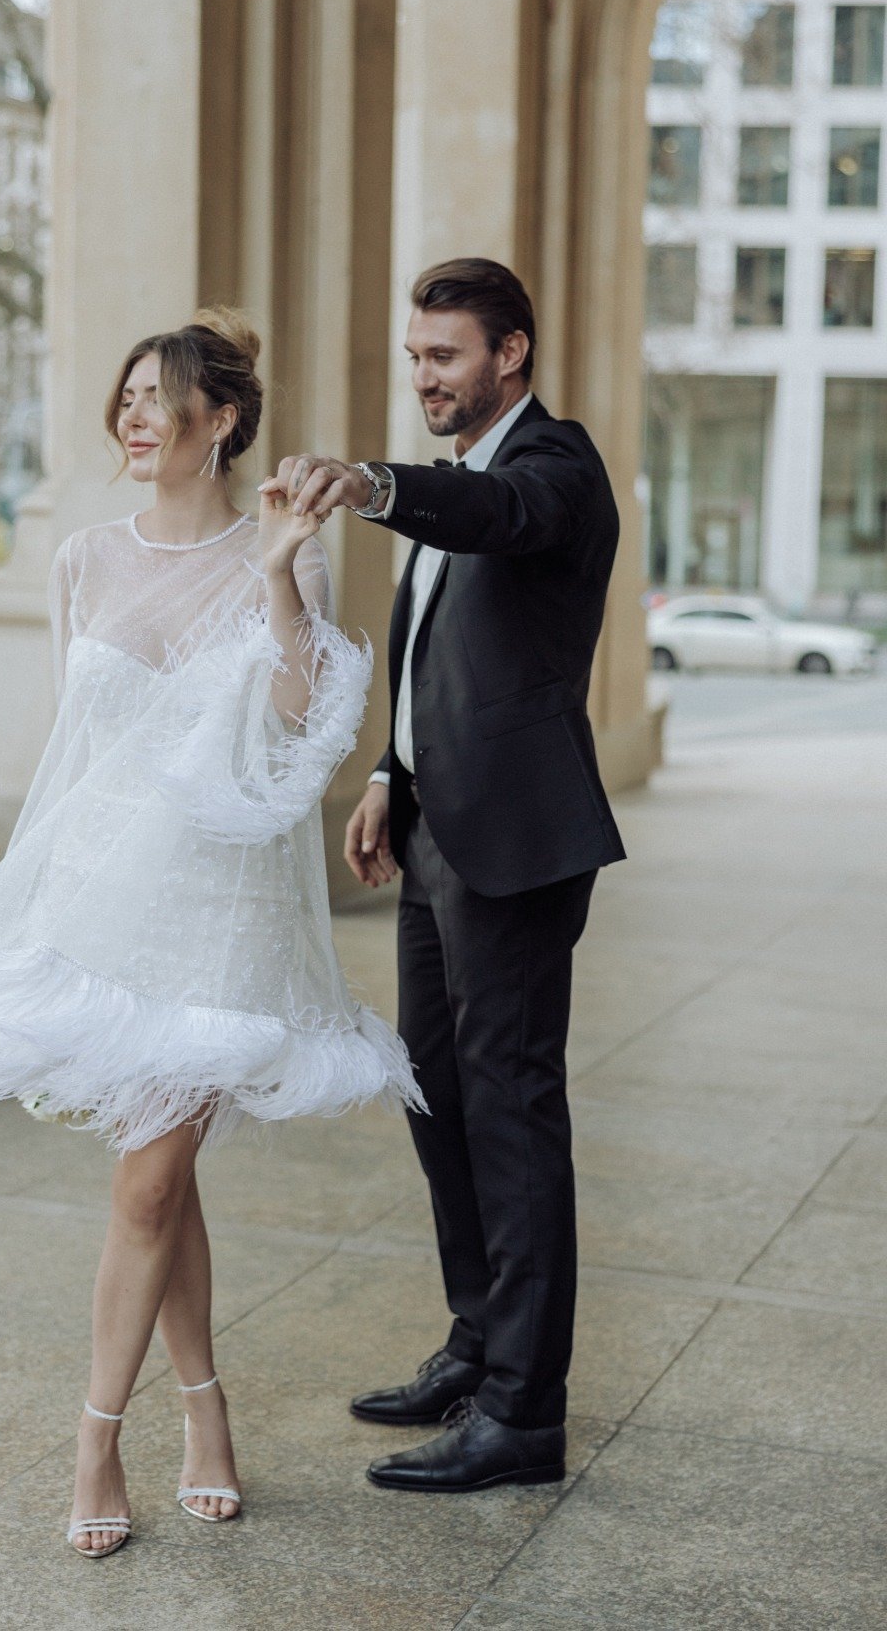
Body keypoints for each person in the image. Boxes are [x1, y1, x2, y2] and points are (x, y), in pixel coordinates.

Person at [0, 308, 422, 1558]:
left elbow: (307, 735)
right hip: (110, 905)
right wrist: (27, 895)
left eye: (161, 398)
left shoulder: (286, 551)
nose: (134, 417)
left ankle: (93, 1436)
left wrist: (274, 577)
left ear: (225, 421)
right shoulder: (85, 556)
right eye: (128, 396)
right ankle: (204, 1411)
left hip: (222, 912)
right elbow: (69, 759)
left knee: (146, 1179)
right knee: (163, 1182)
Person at [273, 258, 625, 1494]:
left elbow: (499, 524)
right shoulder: (461, 484)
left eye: (445, 357)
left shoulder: (553, 470)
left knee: (513, 1114)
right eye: (416, 357)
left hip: (520, 846)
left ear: (511, 356)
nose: (423, 377)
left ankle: (525, 1414)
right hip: (435, 830)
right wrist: (386, 773)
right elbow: (440, 656)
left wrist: (372, 484)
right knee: (437, 1096)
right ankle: (478, 1346)